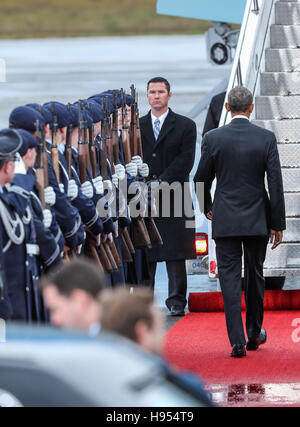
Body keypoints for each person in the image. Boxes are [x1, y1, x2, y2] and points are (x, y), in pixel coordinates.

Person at [194, 86, 286, 357]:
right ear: (251, 108)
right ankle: (255, 333)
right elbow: (275, 184)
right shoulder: (265, 138)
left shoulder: (213, 138)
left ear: (226, 108)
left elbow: (200, 179)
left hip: (225, 219)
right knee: (255, 276)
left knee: (230, 279)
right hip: (257, 218)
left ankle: (236, 341)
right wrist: (277, 223)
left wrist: (207, 207)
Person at [140, 77, 197, 316]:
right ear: (147, 96)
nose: (156, 96)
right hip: (143, 196)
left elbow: (186, 160)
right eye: (152, 92)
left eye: (161, 92)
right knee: (146, 251)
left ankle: (176, 301)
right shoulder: (137, 125)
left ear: (169, 95)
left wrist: (161, 181)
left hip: (175, 194)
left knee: (176, 251)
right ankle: (144, 302)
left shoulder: (185, 125)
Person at [99, 287, 213, 406]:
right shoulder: (180, 388)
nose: (163, 336)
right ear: (142, 332)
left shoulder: (90, 387)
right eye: (160, 328)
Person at [40, 258, 109, 335]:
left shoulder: (110, 343)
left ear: (81, 301)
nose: (54, 320)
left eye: (55, 309)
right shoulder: (111, 339)